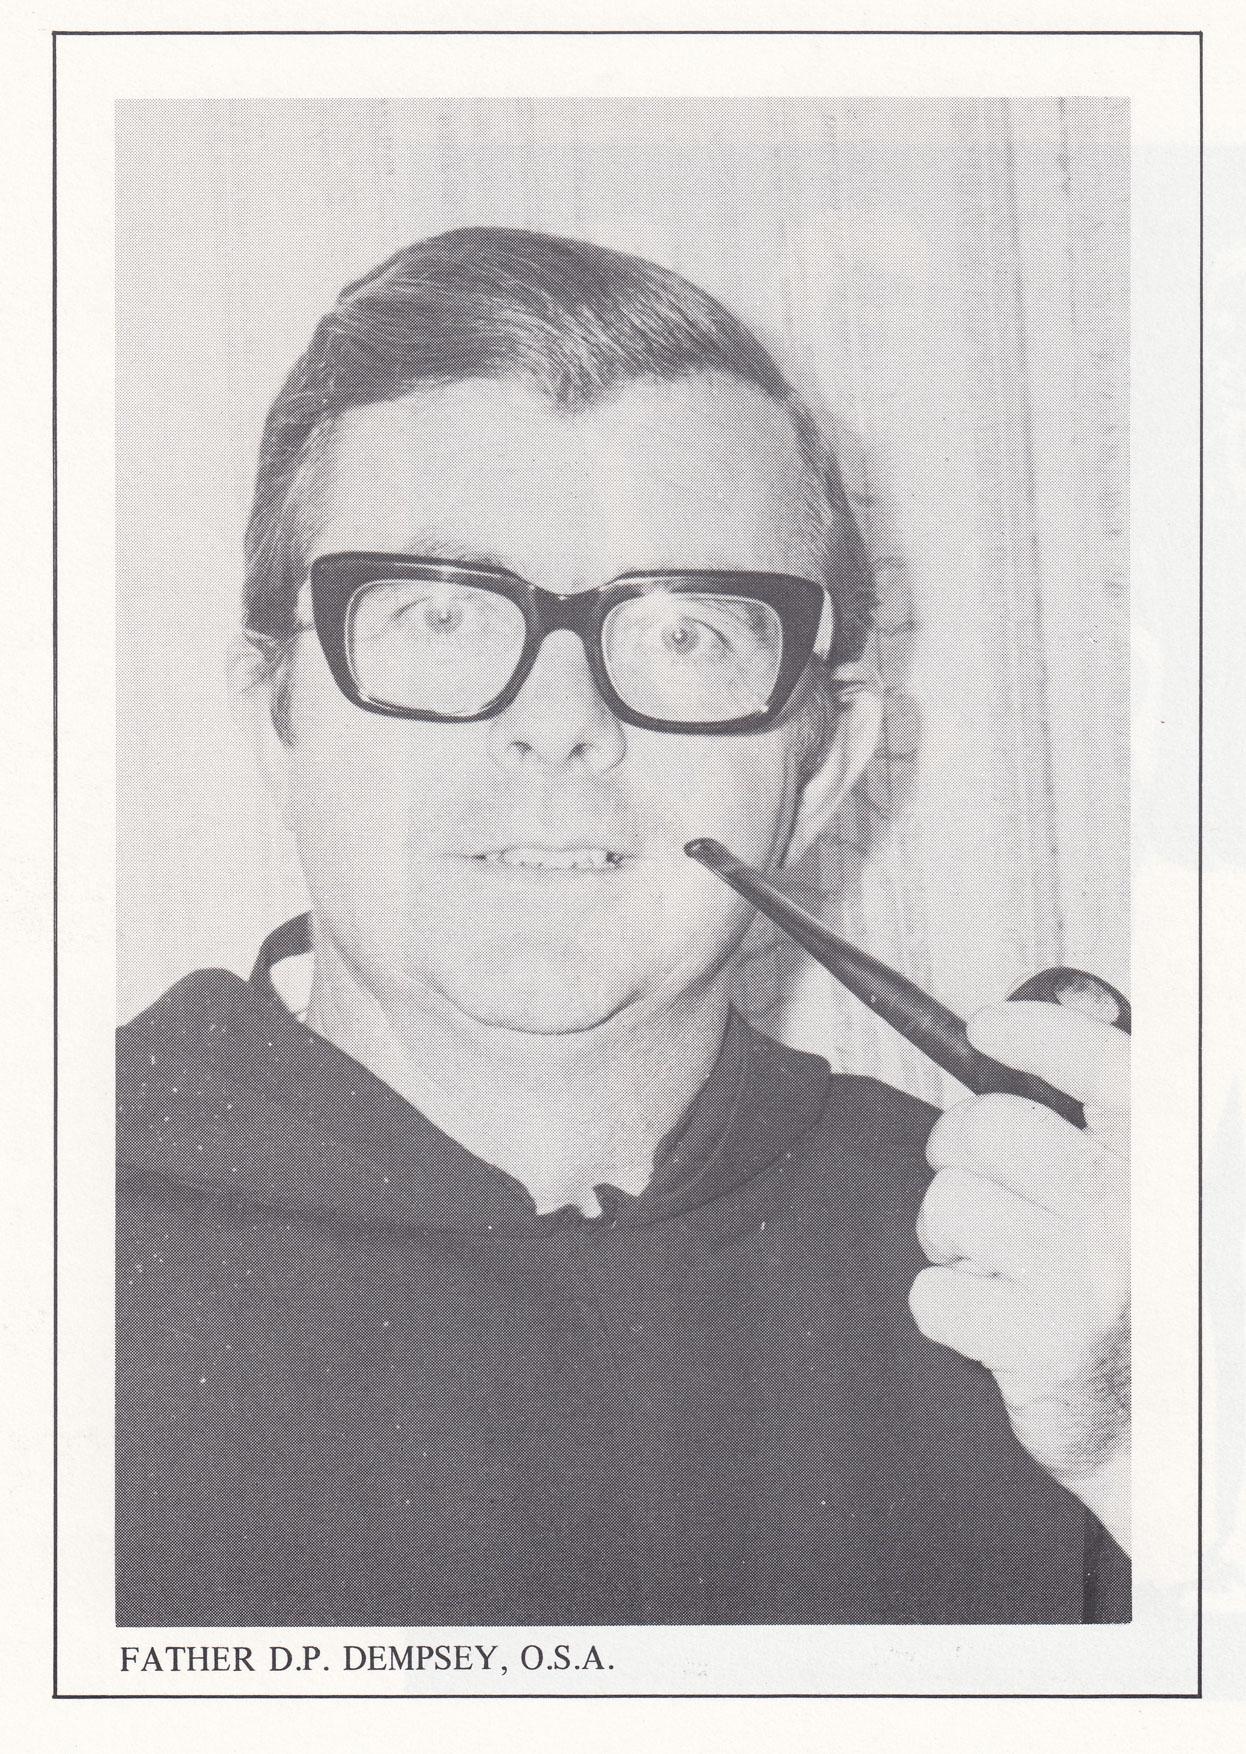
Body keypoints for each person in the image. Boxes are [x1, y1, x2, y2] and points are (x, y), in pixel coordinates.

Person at [116, 227, 1130, 1627]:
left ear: (825, 766)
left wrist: (1152, 1462)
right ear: (272, 718)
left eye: (687, 632)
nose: (559, 724)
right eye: (438, 617)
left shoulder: (1053, 1298)